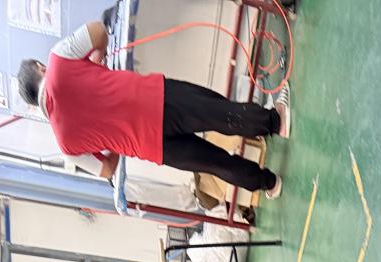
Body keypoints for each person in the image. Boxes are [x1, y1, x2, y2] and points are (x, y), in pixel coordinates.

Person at [17, 20, 289, 198]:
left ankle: (270, 183)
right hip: (155, 98)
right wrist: (98, 60)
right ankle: (275, 122)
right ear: (40, 68)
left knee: (216, 163)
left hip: (152, 146)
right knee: (219, 114)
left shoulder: (66, 145)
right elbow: (98, 30)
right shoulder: (58, 59)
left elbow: (107, 170)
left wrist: (114, 138)